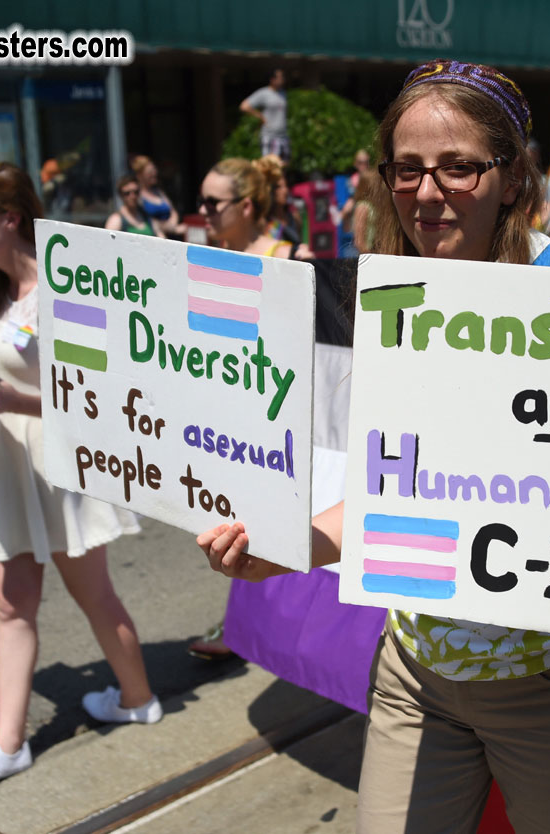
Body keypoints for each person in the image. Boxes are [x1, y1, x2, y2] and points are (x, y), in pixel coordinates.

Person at [197, 60, 550, 833]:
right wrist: (285, 549)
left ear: (512, 176)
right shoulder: (385, 297)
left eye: (457, 168)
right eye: (406, 169)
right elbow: (402, 487)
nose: (425, 192)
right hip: (414, 674)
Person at [0, 162, 159, 795]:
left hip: (59, 464)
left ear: (9, 218)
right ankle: (9, 746)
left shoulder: (65, 289)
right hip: (12, 465)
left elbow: (99, 390)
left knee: (93, 595)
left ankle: (139, 697)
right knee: (13, 604)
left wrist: (17, 402)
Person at [187, 154, 313, 660]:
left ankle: (266, 636)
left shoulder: (290, 257)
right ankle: (245, 630)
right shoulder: (206, 258)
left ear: (244, 205)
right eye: (200, 203)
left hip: (280, 422)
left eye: (211, 203)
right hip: (227, 419)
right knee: (230, 530)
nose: (203, 212)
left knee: (274, 531)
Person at [131, 155, 186, 239]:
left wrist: (173, 226)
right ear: (139, 175)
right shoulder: (137, 197)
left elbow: (173, 211)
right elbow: (147, 222)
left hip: (173, 234)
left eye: (154, 170)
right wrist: (172, 229)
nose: (155, 173)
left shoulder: (158, 192)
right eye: (150, 172)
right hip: (157, 237)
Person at [241, 68, 290, 162]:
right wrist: (260, 116)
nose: (283, 79)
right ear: (272, 79)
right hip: (269, 136)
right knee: (269, 166)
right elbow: (244, 106)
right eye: (280, 77)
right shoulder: (263, 93)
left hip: (283, 136)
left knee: (283, 166)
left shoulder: (283, 93)